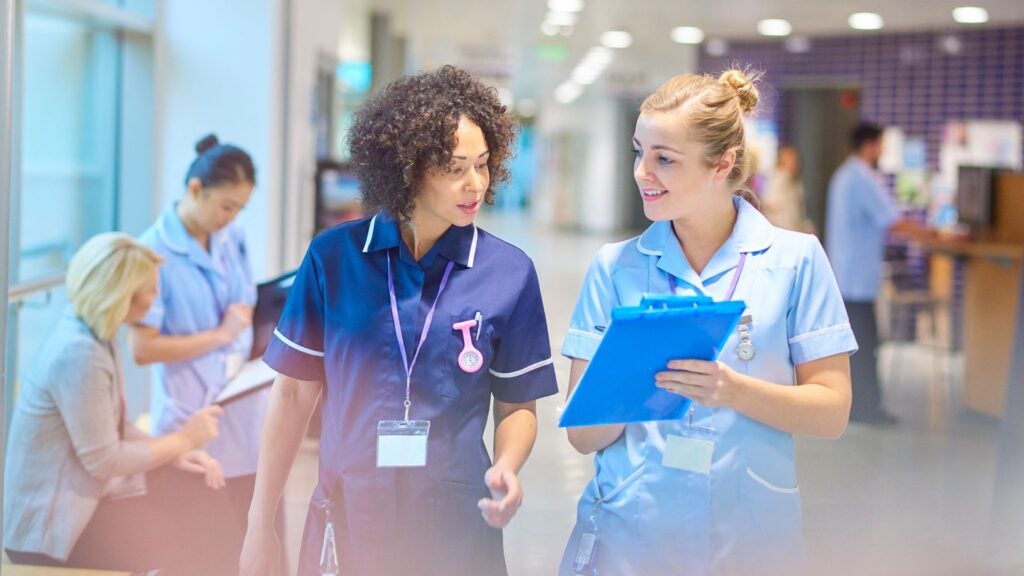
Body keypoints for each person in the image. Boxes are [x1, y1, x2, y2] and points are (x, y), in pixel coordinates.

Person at [239, 65, 558, 576]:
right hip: (349, 514)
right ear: (407, 169)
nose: (475, 184)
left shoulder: (509, 273)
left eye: (482, 164)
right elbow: (294, 395)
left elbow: (518, 402)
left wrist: (506, 467)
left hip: (456, 522)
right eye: (455, 168)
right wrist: (260, 526)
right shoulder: (334, 259)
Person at [559, 70, 857, 575]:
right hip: (631, 531)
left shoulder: (795, 261)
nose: (641, 172)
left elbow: (831, 413)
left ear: (722, 164)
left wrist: (733, 390)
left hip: (748, 535)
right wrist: (627, 375)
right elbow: (583, 437)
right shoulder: (615, 268)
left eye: (665, 159)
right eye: (639, 152)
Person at [3, 233, 242, 575]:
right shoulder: (79, 354)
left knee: (200, 491)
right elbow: (105, 460)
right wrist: (183, 440)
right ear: (121, 295)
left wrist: (177, 452)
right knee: (176, 533)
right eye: (149, 288)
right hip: (48, 535)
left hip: (83, 503)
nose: (157, 296)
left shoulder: (96, 335)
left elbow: (115, 427)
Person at [131, 134, 264, 528]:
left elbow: (244, 304)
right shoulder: (153, 251)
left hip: (242, 409)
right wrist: (220, 336)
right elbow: (142, 348)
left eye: (240, 208)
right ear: (195, 189)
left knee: (251, 541)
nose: (232, 217)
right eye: (226, 205)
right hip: (188, 422)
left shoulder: (232, 237)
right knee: (204, 549)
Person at [825, 122, 923, 425]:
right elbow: (893, 221)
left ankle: (858, 407)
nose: (882, 151)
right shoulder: (862, 178)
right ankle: (866, 410)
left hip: (845, 275)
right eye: (880, 145)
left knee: (858, 348)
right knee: (865, 348)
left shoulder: (845, 175)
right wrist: (935, 237)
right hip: (855, 280)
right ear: (870, 145)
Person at [763, 145, 811, 232]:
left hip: (795, 233)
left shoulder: (797, 185)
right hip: (781, 234)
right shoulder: (775, 181)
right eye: (792, 160)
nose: (795, 164)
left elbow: (800, 214)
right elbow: (771, 208)